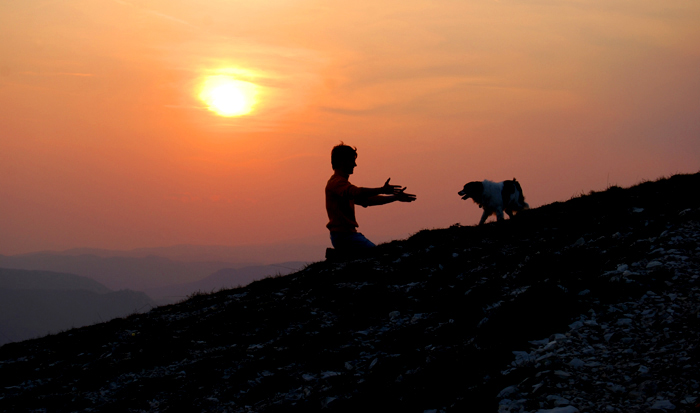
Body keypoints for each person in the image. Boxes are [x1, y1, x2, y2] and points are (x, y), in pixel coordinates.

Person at [325, 142, 416, 252]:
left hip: (346, 235)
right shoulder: (337, 183)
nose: (355, 165)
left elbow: (367, 200)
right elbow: (357, 192)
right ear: (343, 162)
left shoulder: (341, 185)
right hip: (344, 237)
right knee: (377, 254)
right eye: (352, 160)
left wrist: (395, 198)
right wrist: (382, 190)